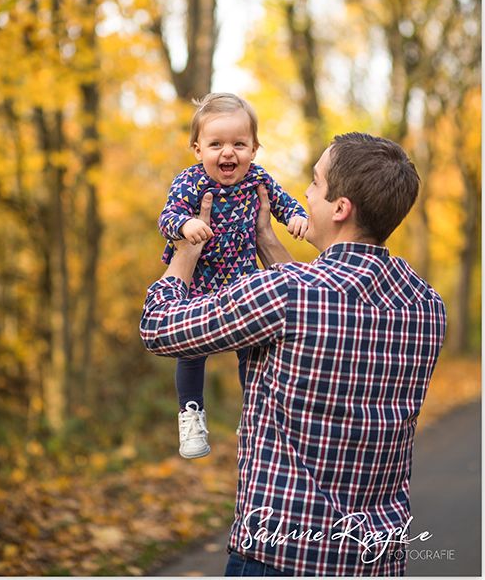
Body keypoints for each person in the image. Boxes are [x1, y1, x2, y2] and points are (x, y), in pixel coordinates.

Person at [140, 133, 446, 576]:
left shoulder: (286, 295)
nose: (304, 193)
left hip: (281, 555)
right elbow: (320, 304)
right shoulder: (425, 306)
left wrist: (187, 252)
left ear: (340, 208)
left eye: (315, 184)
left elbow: (159, 327)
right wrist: (266, 239)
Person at [158, 93, 308, 459]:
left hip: (244, 282)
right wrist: (187, 223)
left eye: (239, 144)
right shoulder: (190, 182)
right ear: (197, 150)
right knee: (190, 352)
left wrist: (295, 217)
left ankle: (253, 417)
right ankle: (190, 415)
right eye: (216, 144)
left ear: (254, 149)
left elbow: (284, 201)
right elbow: (167, 217)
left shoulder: (258, 178)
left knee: (253, 351)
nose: (228, 153)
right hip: (200, 285)